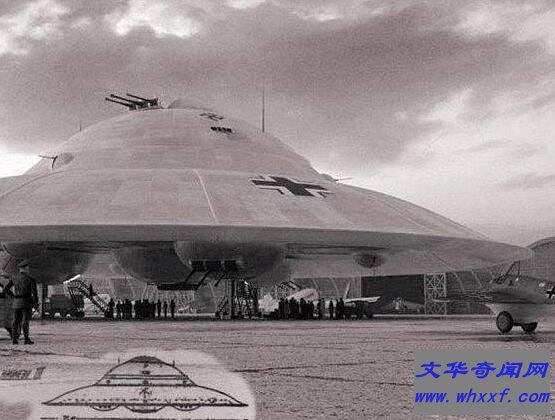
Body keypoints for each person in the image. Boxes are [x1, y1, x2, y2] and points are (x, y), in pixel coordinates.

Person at [4, 260, 38, 345]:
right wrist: (35, 304)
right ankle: (26, 339)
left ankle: (14, 339)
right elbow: (35, 294)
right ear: (25, 268)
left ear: (20, 269)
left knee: (15, 321)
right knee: (25, 321)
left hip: (16, 303)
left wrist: (13, 297)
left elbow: (6, 289)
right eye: (27, 267)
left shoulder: (14, 278)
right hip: (26, 303)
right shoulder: (30, 279)